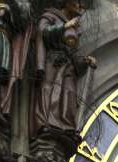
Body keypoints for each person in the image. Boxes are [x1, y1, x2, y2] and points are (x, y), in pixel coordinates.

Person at [31, 0, 96, 137]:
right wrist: (64, 26)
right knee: (48, 89)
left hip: (68, 66)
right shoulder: (50, 16)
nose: (79, 5)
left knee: (69, 93)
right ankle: (44, 123)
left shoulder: (74, 27)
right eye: (76, 1)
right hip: (53, 60)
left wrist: (85, 61)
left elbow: (73, 52)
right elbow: (43, 33)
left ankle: (66, 126)